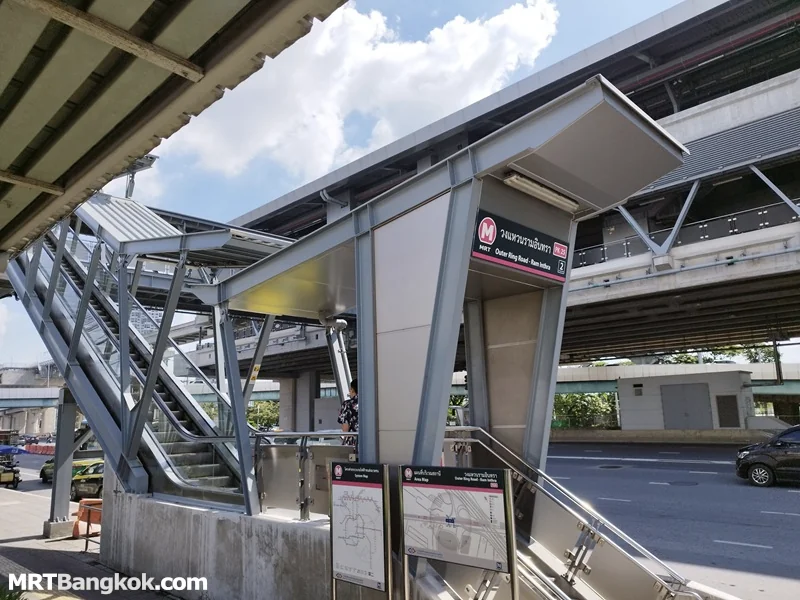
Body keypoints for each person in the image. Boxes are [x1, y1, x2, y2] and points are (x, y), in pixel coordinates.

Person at [337, 379, 358, 448]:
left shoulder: (347, 404)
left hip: (353, 443)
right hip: (370, 443)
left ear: (352, 390)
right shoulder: (370, 403)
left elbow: (345, 429)